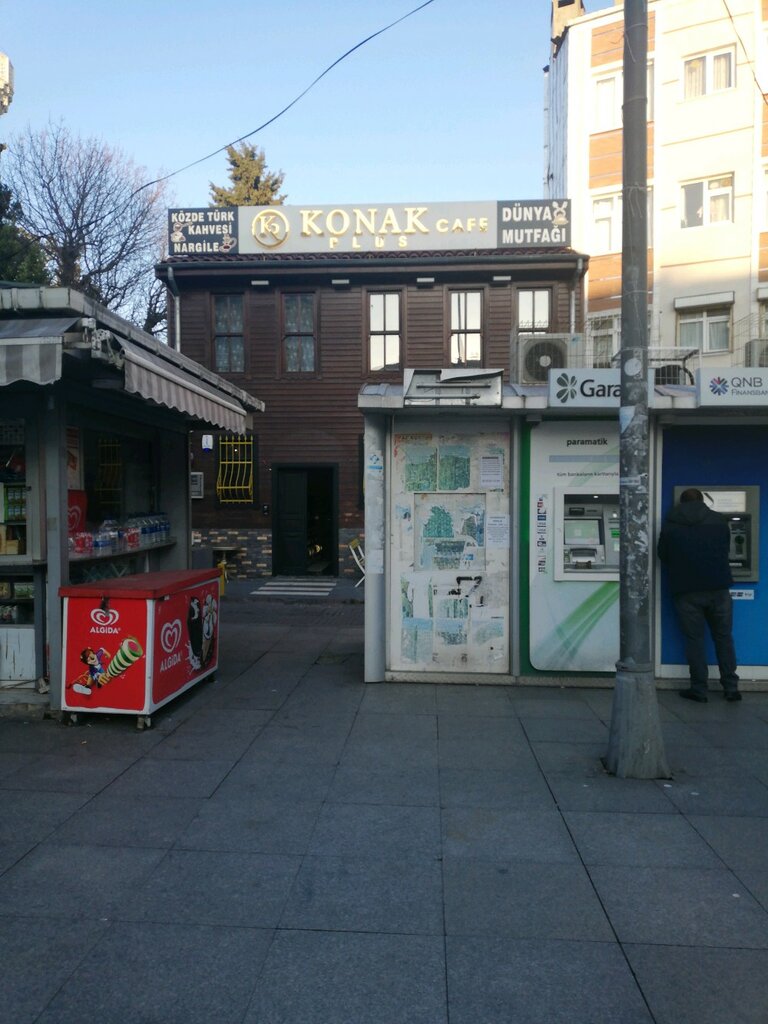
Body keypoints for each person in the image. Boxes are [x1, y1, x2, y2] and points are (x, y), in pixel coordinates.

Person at [657, 488, 741, 702]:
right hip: (719, 589)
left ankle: (699, 689)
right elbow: (726, 549)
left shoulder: (670, 524)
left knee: (694, 639)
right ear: (703, 501)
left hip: (687, 591)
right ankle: (731, 688)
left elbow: (662, 555)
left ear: (681, 502)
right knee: (723, 637)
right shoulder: (719, 521)